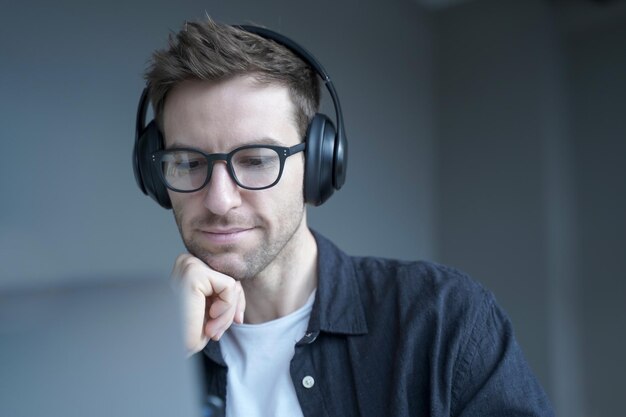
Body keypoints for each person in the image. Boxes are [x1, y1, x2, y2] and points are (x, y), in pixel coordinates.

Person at [133, 18, 554, 417]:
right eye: (188, 163)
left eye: (256, 160)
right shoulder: (138, 357)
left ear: (319, 165)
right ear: (156, 176)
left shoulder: (445, 321)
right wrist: (162, 361)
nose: (220, 201)